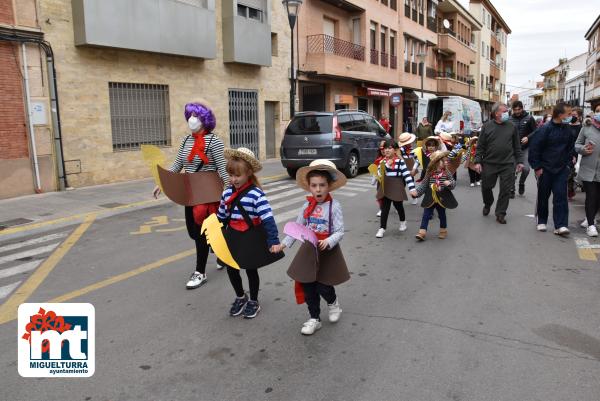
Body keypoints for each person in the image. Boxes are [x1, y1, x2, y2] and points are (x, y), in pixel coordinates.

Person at [153, 101, 229, 289]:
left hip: (210, 193)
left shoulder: (215, 142)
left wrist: (230, 193)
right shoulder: (186, 141)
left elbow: (223, 170)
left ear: (204, 120)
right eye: (190, 116)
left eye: (196, 116)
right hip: (191, 191)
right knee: (195, 231)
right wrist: (162, 182)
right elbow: (178, 164)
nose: (192, 120)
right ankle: (220, 253)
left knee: (202, 233)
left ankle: (200, 272)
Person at [274, 160, 350, 336]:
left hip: (326, 252)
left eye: (322, 185)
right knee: (308, 285)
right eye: (314, 185)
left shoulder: (334, 206)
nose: (318, 189)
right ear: (309, 187)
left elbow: (339, 231)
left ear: (329, 186)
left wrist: (329, 241)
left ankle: (333, 303)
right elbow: (297, 229)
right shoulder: (306, 206)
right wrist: (284, 244)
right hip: (308, 251)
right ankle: (314, 318)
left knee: (324, 285)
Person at [217, 147, 283, 318]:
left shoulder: (256, 194)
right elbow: (222, 217)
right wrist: (215, 237)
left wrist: (273, 240)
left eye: (237, 175)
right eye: (231, 175)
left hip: (250, 236)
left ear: (248, 173)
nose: (233, 179)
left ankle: (253, 300)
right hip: (232, 235)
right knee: (232, 269)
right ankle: (240, 296)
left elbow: (267, 218)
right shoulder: (226, 193)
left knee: (250, 269)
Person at [529, 102, 576, 236]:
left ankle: (560, 225)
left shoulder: (568, 129)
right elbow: (535, 149)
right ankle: (541, 221)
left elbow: (570, 149)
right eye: (568, 114)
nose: (570, 116)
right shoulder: (544, 129)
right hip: (545, 169)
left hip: (561, 169)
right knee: (543, 196)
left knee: (561, 197)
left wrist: (569, 165)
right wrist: (537, 167)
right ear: (560, 115)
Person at [472, 102, 524, 224]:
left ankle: (500, 213)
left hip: (507, 164)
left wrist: (520, 161)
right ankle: (488, 203)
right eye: (504, 111)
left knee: (506, 190)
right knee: (486, 187)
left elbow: (517, 146)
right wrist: (478, 161)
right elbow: (480, 146)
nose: (507, 113)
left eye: (507, 111)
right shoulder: (487, 126)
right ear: (496, 113)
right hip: (490, 163)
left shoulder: (512, 126)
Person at [375, 140, 418, 238]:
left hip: (397, 186)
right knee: (385, 208)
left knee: (398, 206)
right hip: (386, 187)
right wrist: (386, 165)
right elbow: (379, 175)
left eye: (389, 148)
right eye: (385, 148)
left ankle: (403, 222)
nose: (387, 150)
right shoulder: (382, 162)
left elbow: (407, 175)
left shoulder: (400, 162)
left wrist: (412, 189)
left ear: (395, 150)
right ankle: (382, 228)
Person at [413, 150, 458, 241]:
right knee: (426, 214)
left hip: (442, 196)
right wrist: (417, 192)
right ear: (436, 162)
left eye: (446, 160)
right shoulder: (429, 172)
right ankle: (422, 232)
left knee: (442, 215)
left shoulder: (446, 172)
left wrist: (449, 183)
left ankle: (443, 230)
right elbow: (424, 184)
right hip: (430, 196)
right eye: (443, 160)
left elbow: (453, 183)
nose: (446, 162)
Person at [574, 104, 600, 237]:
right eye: (597, 111)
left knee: (598, 199)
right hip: (588, 169)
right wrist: (583, 149)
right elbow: (577, 145)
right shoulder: (586, 128)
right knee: (591, 196)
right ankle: (591, 225)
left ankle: (590, 218)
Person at [509, 101, 537, 197]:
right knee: (511, 169)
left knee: (526, 169)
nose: (517, 111)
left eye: (519, 109)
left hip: (525, 148)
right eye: (515, 110)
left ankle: (521, 182)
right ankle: (511, 189)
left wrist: (528, 137)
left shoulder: (529, 118)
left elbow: (536, 131)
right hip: (512, 148)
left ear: (522, 108)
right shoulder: (510, 119)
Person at [567, 107, 583, 200]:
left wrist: (574, 155)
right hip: (565, 151)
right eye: (571, 115)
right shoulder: (567, 125)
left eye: (575, 115)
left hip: (575, 152)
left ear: (579, 116)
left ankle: (570, 190)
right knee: (566, 171)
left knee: (571, 172)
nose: (572, 117)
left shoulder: (581, 127)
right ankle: (569, 190)